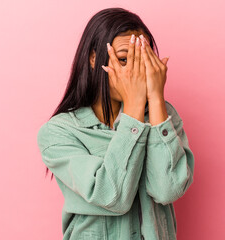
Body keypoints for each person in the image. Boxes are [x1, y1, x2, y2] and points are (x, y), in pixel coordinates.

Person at [37, 7, 195, 240]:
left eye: (143, 60)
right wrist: (133, 107)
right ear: (93, 58)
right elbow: (112, 196)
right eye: (123, 60)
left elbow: (168, 190)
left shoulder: (163, 115)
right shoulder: (59, 132)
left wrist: (156, 100)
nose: (135, 73)